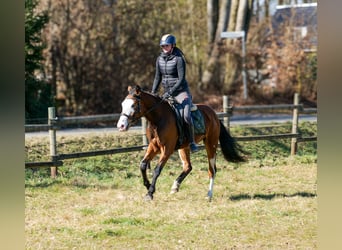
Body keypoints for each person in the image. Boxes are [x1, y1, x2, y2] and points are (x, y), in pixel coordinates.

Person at [151, 34, 199, 153]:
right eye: (163, 46)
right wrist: (153, 92)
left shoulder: (179, 59)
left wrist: (171, 92)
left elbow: (181, 79)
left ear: (173, 46)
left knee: (186, 116)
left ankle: (192, 142)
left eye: (167, 46)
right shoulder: (159, 59)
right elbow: (157, 78)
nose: (164, 48)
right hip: (167, 92)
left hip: (181, 92)